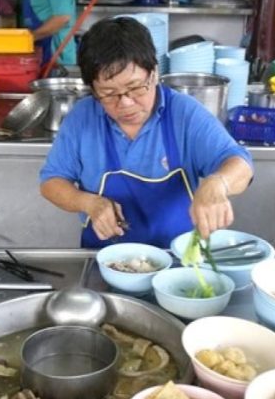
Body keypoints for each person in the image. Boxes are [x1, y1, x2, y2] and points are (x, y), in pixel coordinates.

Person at [39, 17, 254, 248]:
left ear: (154, 73)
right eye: (109, 93)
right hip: (105, 259)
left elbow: (240, 163)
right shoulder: (82, 118)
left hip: (178, 261)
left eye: (135, 88)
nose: (126, 103)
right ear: (92, 89)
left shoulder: (184, 113)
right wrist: (88, 203)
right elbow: (52, 181)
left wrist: (218, 183)